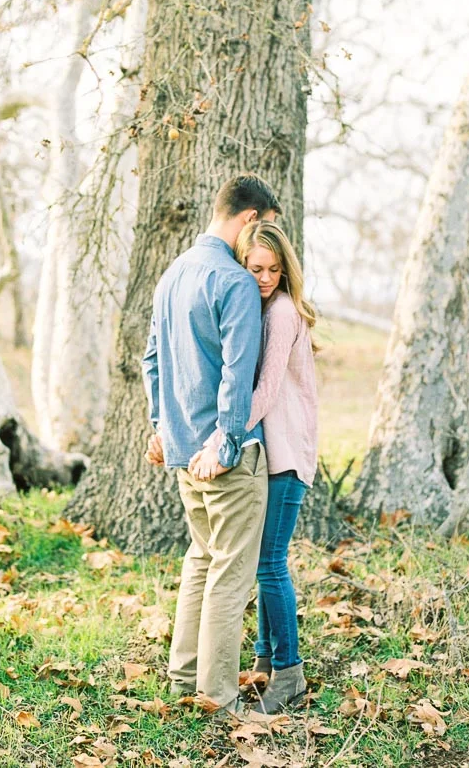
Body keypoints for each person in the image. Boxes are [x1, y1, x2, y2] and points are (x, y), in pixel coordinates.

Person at [143, 173, 281, 715]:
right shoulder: (235, 282)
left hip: (183, 452)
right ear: (250, 219)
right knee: (229, 574)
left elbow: (152, 360)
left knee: (200, 561)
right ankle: (219, 698)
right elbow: (235, 375)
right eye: (263, 228)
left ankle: (183, 679)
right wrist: (226, 445)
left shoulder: (173, 274)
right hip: (227, 456)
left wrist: (162, 426)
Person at [190, 220, 318, 714]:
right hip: (273, 452)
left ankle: (290, 672)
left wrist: (221, 438)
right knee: (264, 560)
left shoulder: (281, 311)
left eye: (273, 269)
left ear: (285, 271)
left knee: (270, 563)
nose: (264, 277)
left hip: (287, 454)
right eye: (255, 268)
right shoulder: (259, 308)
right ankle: (265, 659)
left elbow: (264, 391)